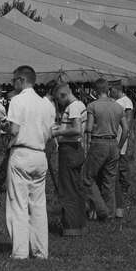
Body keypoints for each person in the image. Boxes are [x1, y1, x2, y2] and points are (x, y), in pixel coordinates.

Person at [3, 65, 57, 259]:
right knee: (38, 205)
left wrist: (7, 129)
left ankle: (20, 251)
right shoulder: (46, 104)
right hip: (40, 154)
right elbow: (50, 134)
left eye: (14, 80)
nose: (13, 84)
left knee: (18, 203)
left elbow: (15, 129)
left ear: (21, 80)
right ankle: (41, 250)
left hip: (22, 153)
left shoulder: (17, 100)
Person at [84, 79, 127, 221]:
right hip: (113, 144)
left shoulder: (92, 106)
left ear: (96, 90)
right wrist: (119, 146)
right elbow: (126, 130)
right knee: (109, 181)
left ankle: (101, 210)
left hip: (98, 142)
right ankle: (109, 213)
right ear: (108, 89)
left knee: (87, 178)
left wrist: (88, 143)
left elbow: (89, 128)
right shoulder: (118, 107)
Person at [51, 83, 88, 236]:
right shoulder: (80, 105)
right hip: (77, 149)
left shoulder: (72, 107)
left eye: (57, 100)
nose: (58, 103)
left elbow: (77, 129)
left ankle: (71, 227)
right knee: (76, 187)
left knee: (67, 190)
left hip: (70, 150)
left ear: (63, 95)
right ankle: (80, 224)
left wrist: (56, 133)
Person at [109, 80, 135, 218]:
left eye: (111, 89)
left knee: (122, 163)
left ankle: (124, 188)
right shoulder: (115, 101)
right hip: (114, 137)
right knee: (116, 163)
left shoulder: (126, 102)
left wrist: (125, 135)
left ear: (116, 89)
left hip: (121, 137)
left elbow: (128, 121)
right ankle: (117, 188)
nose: (109, 92)